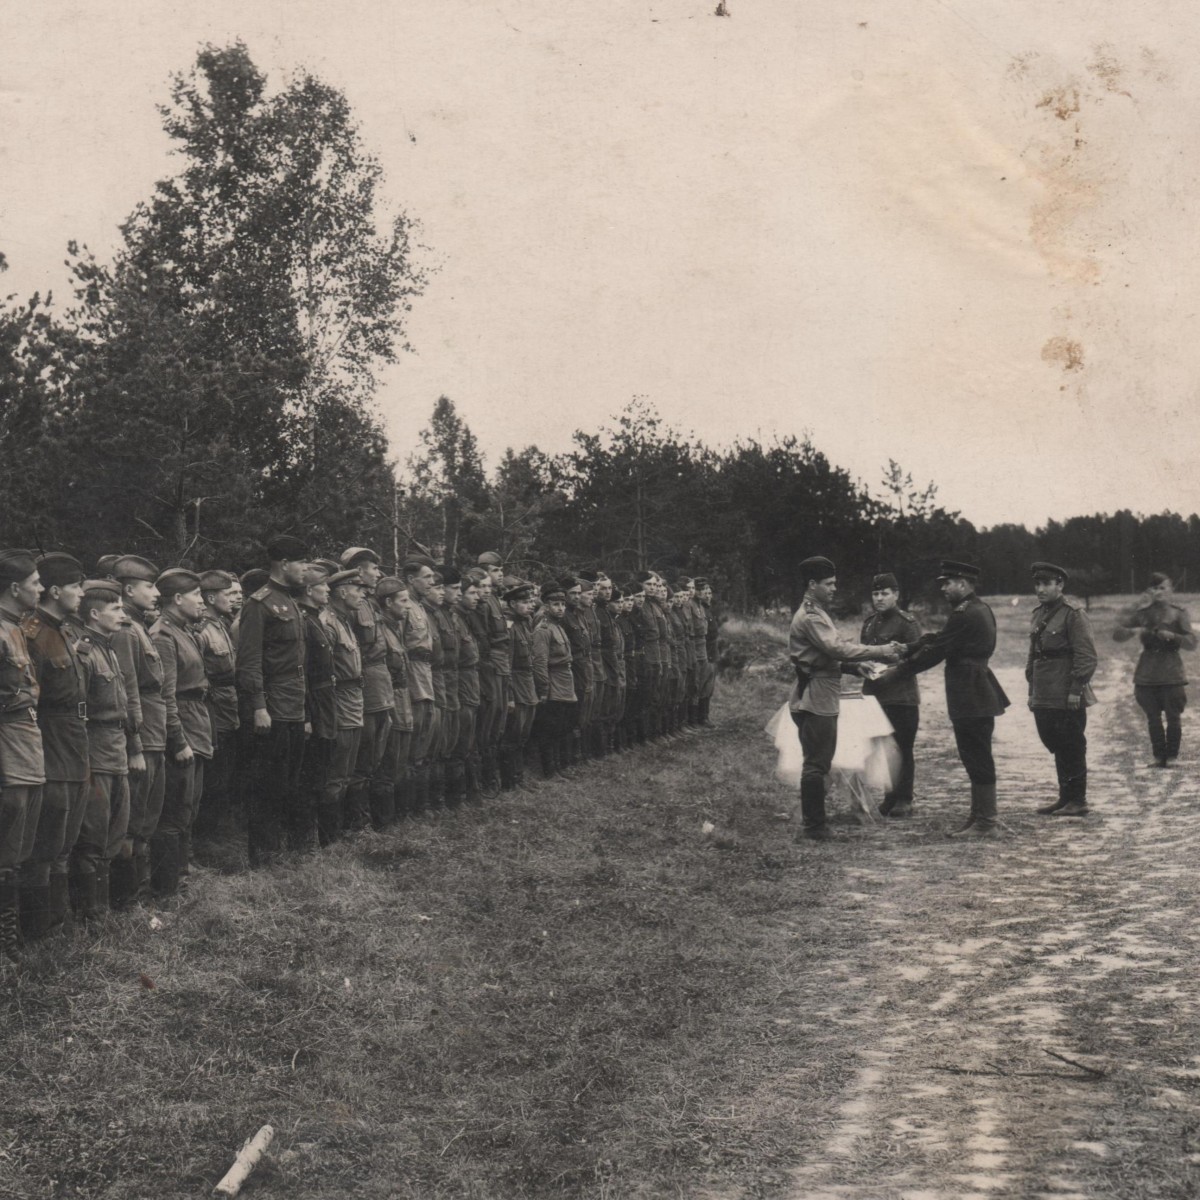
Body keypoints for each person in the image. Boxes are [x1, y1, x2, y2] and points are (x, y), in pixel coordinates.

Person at [881, 560, 1011, 839]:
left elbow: (938, 649)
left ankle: (986, 821)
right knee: (974, 754)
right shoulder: (978, 609)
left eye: (947, 582)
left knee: (976, 754)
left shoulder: (965, 613)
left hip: (970, 691)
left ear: (963, 584)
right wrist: (910, 647)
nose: (943, 587)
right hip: (975, 689)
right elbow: (939, 639)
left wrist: (897, 672)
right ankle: (980, 816)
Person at [787, 556, 903, 841]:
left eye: (834, 583)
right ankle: (814, 828)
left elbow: (824, 657)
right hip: (816, 697)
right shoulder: (812, 615)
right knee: (817, 763)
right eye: (828, 584)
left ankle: (815, 824)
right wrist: (880, 651)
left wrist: (853, 667)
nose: (834, 588)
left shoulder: (817, 611)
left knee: (819, 761)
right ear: (812, 585)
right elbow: (836, 648)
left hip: (818, 691)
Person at [20, 553, 90, 939]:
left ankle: (58, 922)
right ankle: (38, 930)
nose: (82, 593)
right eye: (77, 587)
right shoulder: (33, 633)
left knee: (66, 841)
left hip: (75, 741)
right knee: (46, 842)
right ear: (55, 590)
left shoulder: (65, 629)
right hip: (50, 743)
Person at [236, 534, 309, 866]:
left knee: (290, 781)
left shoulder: (290, 601)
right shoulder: (259, 604)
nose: (305, 569)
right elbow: (249, 662)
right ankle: (263, 854)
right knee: (269, 781)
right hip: (273, 705)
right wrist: (259, 706)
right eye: (301, 563)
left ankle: (280, 848)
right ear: (284, 564)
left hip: (293, 702)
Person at [151, 569, 212, 896]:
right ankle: (168, 887)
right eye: (196, 596)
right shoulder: (163, 636)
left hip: (196, 723)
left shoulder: (182, 630)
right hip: (182, 728)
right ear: (177, 599)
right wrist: (177, 740)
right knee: (174, 812)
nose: (202, 601)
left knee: (190, 807)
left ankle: (183, 875)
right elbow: (166, 695)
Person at [75, 580, 133, 920]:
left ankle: (104, 910)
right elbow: (79, 710)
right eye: (116, 610)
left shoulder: (108, 649)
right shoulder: (85, 652)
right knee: (93, 838)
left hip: (116, 750)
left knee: (114, 834)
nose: (123, 616)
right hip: (96, 753)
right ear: (95, 614)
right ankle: (90, 915)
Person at [0, 550, 46, 961]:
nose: (41, 588)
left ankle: (10, 941)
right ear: (15, 588)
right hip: (8, 751)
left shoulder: (16, 629)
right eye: (35, 583)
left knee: (16, 850)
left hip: (24, 746)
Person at [111, 554, 165, 903]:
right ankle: (129, 897)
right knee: (133, 820)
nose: (156, 592)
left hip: (154, 730)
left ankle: (142, 893)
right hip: (142, 732)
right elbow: (128, 689)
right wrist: (135, 744)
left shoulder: (140, 626)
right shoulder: (126, 631)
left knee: (147, 817)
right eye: (149, 586)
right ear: (129, 590)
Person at [1026, 562, 1097, 816]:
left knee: (1072, 744)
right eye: (1037, 584)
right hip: (1045, 692)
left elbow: (1087, 656)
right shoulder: (1038, 613)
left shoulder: (1073, 614)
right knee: (1055, 743)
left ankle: (1078, 800)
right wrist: (1032, 690)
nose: (1040, 589)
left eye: (1046, 583)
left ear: (1060, 585)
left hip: (1067, 693)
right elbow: (1033, 655)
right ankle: (1065, 798)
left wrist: (1076, 689)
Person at [1114, 571, 1196, 767]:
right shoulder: (1142, 613)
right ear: (1149, 590)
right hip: (1147, 672)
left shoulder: (1179, 613)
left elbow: (1192, 642)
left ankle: (1173, 757)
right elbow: (1117, 633)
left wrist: (1173, 637)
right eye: (1155, 588)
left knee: (1173, 717)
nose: (1159, 592)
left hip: (1171, 672)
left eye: (1163, 587)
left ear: (1171, 590)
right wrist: (1134, 626)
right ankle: (1159, 757)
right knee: (1152, 717)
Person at [340, 547, 394, 830]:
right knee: (364, 755)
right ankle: (357, 823)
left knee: (377, 754)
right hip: (366, 686)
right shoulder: (352, 606)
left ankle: (372, 818)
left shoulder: (370, 603)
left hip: (381, 683)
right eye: (373, 568)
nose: (378, 573)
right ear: (359, 572)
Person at [859, 572, 922, 818]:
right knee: (883, 748)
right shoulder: (869, 623)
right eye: (875, 594)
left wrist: (894, 666)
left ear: (896, 594)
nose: (879, 598)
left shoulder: (907, 623)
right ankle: (890, 796)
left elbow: (917, 658)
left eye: (885, 593)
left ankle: (904, 799)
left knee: (903, 747)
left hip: (901, 695)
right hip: (875, 694)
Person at [193, 570, 239, 839]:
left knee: (223, 777)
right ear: (211, 598)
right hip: (212, 712)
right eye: (227, 594)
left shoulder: (221, 624)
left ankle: (217, 835)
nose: (232, 599)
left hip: (228, 709)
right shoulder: (201, 631)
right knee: (213, 778)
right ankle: (205, 839)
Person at [325, 569, 367, 839]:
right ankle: (330, 835)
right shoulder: (329, 623)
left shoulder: (344, 621)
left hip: (353, 700)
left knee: (348, 770)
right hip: (339, 701)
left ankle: (342, 828)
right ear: (342, 592)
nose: (362, 594)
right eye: (357, 589)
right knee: (336, 771)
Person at [531, 582, 577, 778]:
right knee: (551, 728)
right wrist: (543, 689)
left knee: (562, 726)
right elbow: (539, 663)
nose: (560, 608)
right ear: (546, 606)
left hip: (565, 681)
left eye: (563, 604)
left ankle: (559, 767)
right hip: (553, 682)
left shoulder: (558, 627)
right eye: (556, 604)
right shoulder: (543, 629)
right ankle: (549, 770)